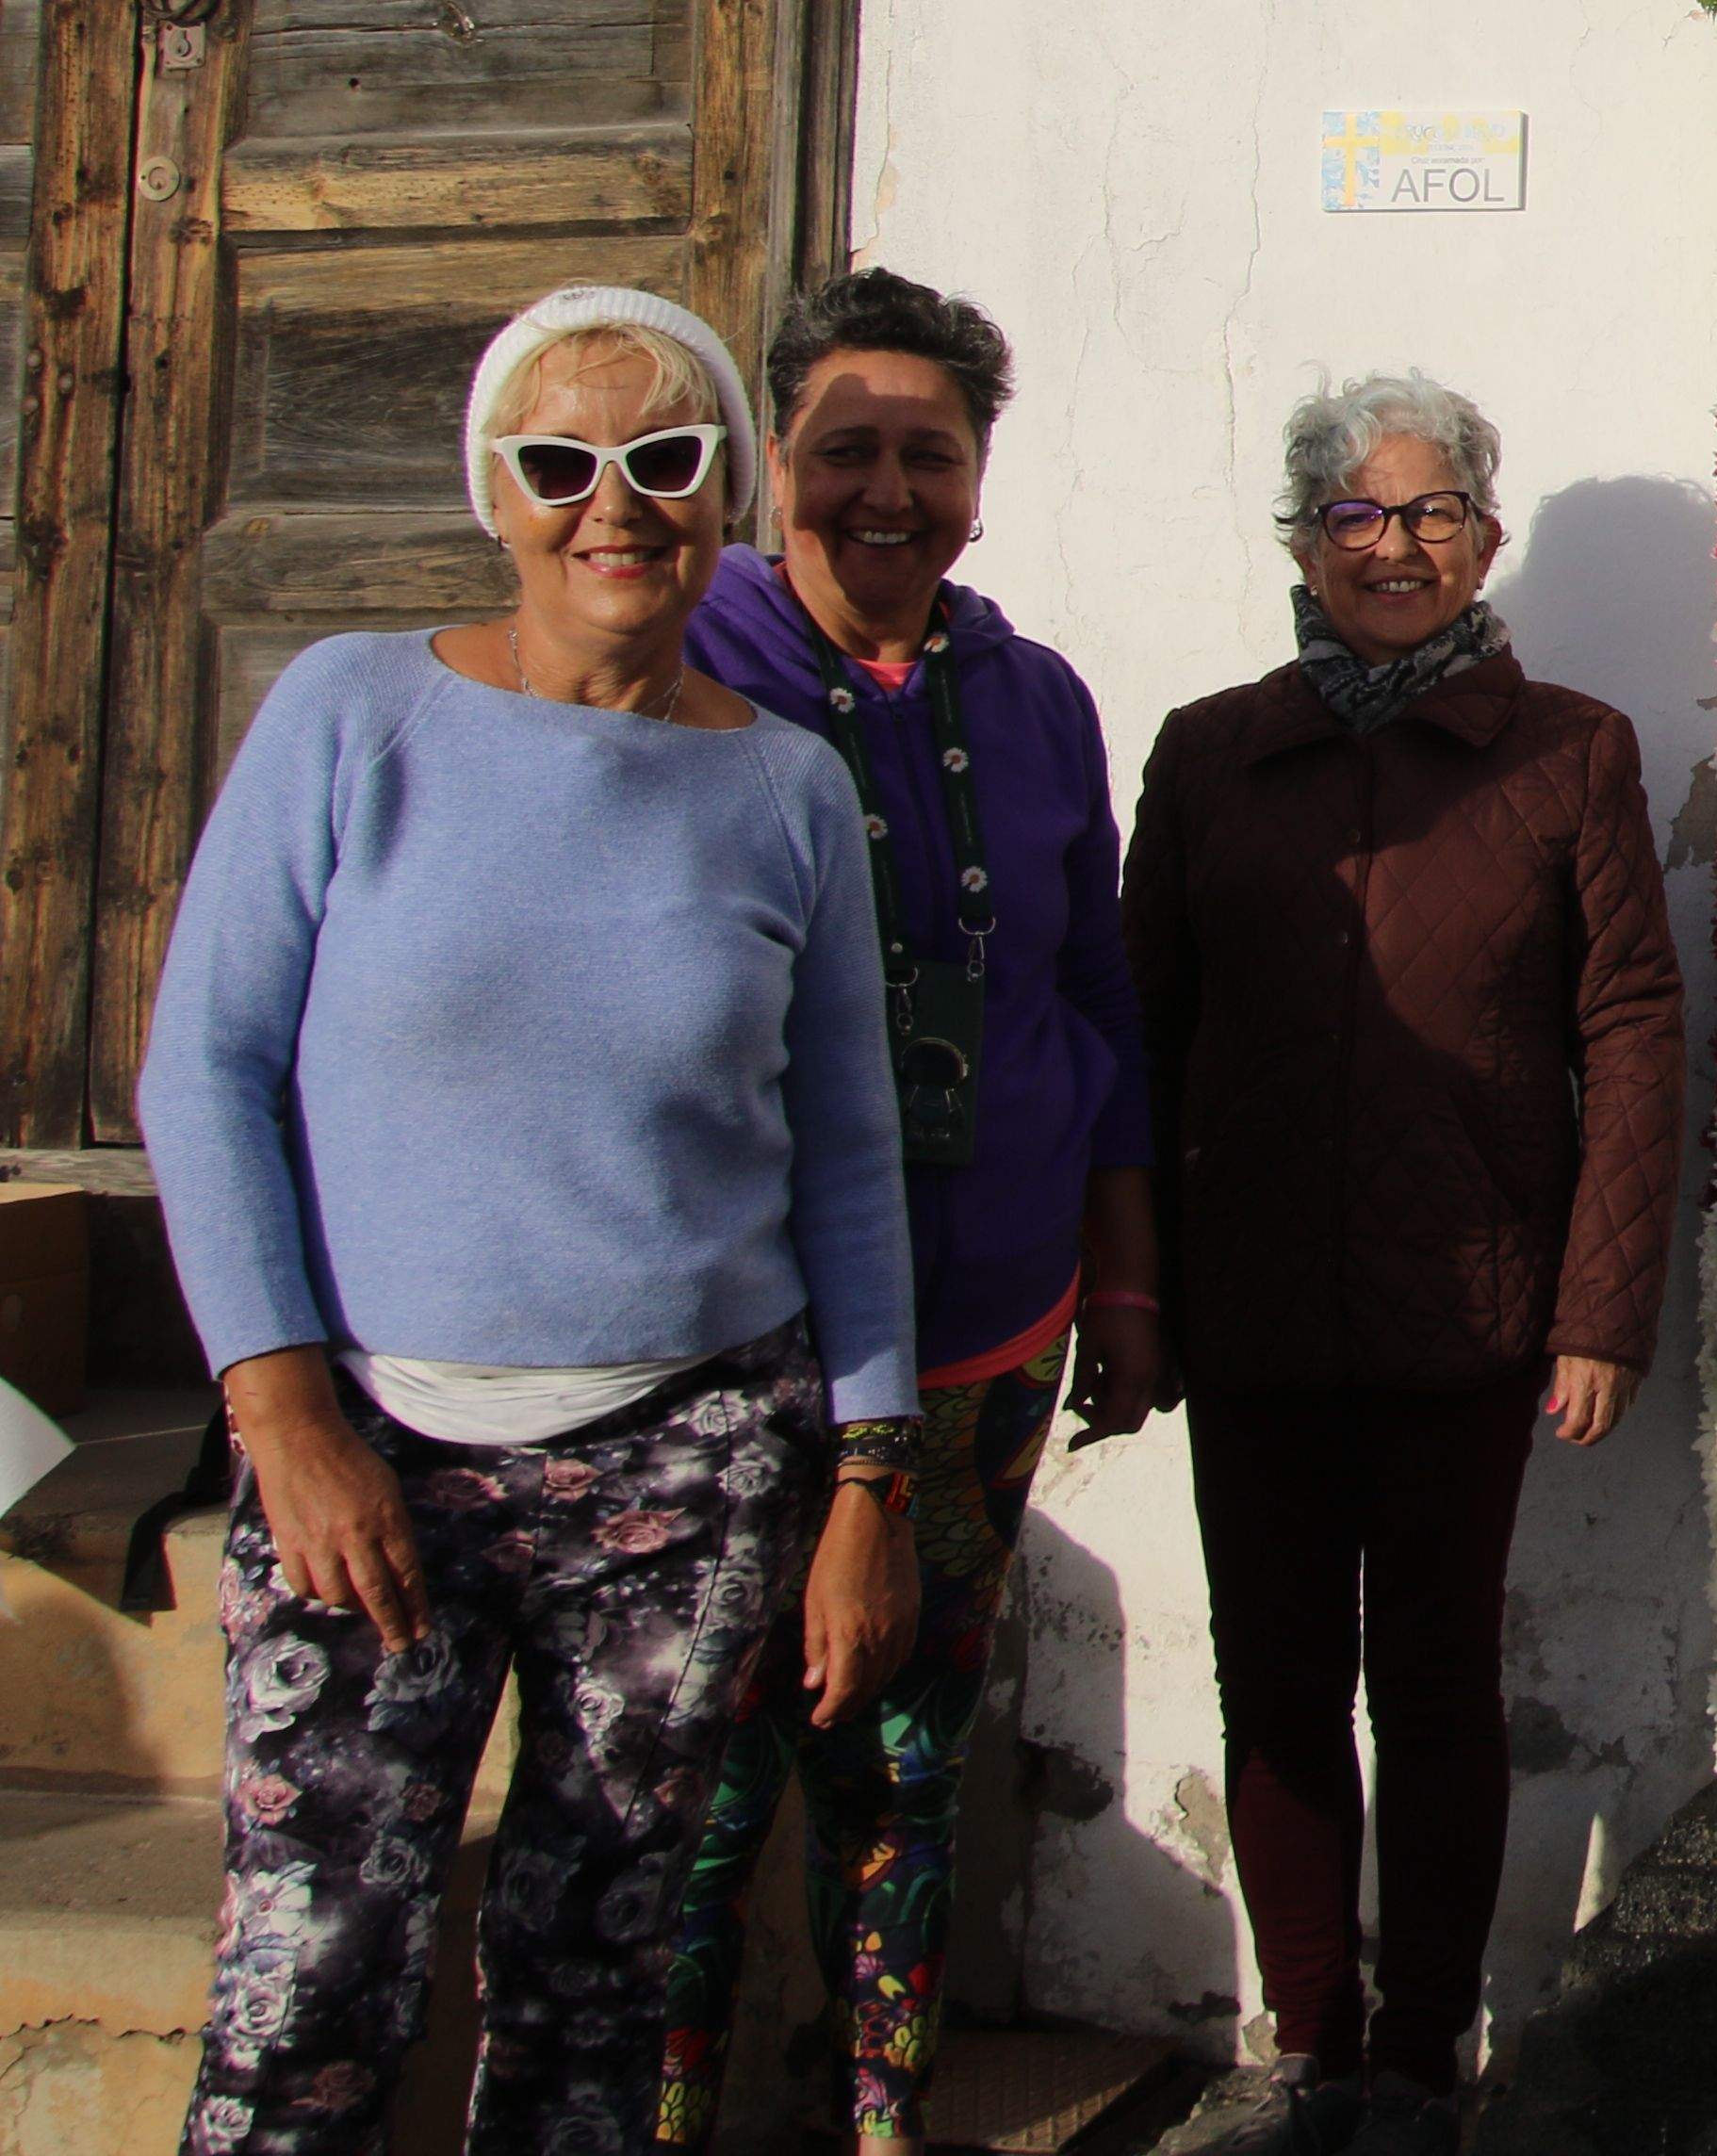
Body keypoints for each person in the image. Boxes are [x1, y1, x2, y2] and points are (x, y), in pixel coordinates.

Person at [139, 284, 923, 2156]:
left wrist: (871, 1491)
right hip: (366, 1454)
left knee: (599, 1983)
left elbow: (847, 1154)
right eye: (563, 462)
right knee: (313, 1979)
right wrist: (282, 1414)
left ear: (726, 493)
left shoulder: (785, 786)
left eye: (663, 460)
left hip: (686, 1462)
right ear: (495, 491)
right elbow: (206, 1074)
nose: (615, 504)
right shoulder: (351, 713)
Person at [1126, 375, 1686, 2156]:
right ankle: (1318, 2045)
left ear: (1485, 539)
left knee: (1435, 1687)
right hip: (1256, 1306)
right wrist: (1134, 1299)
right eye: (1358, 515)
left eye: (1432, 512)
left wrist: (1600, 1308)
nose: (1396, 546)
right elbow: (1138, 1035)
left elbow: (1633, 1026)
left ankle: (1427, 2056)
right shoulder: (1211, 753)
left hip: (1471, 1312)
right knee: (1275, 1683)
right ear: (1301, 539)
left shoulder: (1571, 749)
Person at [659, 270, 1159, 2152]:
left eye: (930, 455)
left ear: (980, 480)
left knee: (908, 1758)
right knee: (700, 1783)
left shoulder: (1035, 701)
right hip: (732, 1349)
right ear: (773, 459)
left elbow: (1093, 990)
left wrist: (1122, 1269)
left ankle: (881, 2119)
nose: (890, 490)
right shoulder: (684, 675)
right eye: (848, 449)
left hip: (989, 1325)